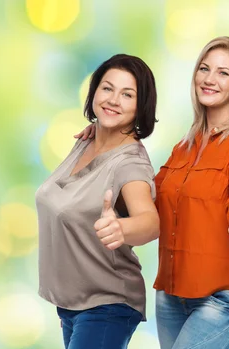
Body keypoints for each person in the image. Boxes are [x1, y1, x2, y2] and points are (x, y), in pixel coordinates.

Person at [36, 54, 160, 349]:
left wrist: (121, 228)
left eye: (127, 94)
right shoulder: (86, 141)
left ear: (140, 106)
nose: (114, 100)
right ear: (93, 92)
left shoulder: (130, 163)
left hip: (107, 305)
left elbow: (150, 222)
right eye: (107, 88)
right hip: (72, 305)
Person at [153, 36, 229, 348]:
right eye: (204, 69)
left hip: (226, 295)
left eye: (223, 73)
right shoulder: (184, 145)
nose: (209, 79)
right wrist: (106, 135)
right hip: (172, 294)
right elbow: (152, 198)